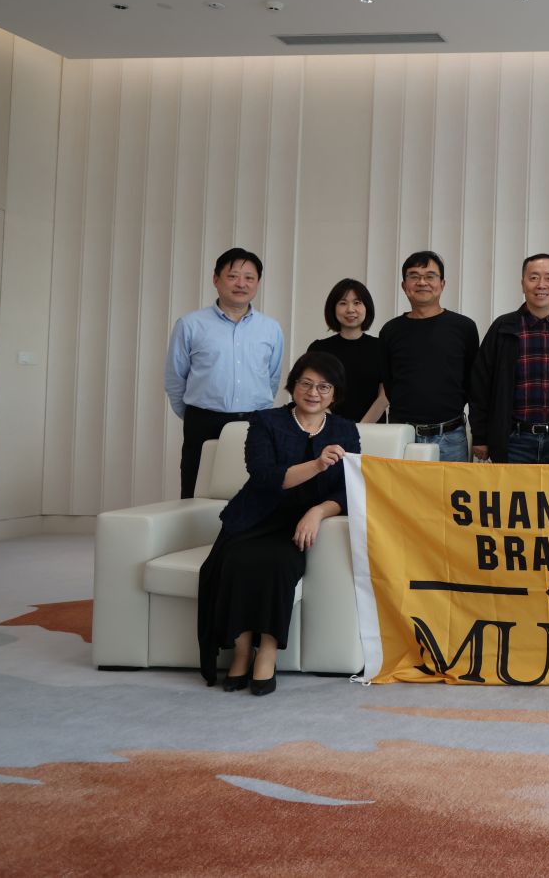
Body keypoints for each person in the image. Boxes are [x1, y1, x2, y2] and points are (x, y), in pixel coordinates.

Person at [196, 351, 360, 695]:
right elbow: (264, 478)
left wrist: (317, 512)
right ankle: (242, 650)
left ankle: (267, 653)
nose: (313, 392)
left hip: (298, 525)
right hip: (255, 517)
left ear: (335, 393)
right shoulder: (266, 421)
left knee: (279, 566)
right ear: (292, 385)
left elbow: (349, 489)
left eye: (324, 386)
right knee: (235, 561)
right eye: (306, 383)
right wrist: (317, 464)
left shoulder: (345, 430)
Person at [165, 247, 285, 498]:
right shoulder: (190, 324)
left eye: (249, 278)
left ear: (257, 283)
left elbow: (272, 378)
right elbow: (175, 378)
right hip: (203, 420)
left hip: (254, 421)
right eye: (233, 276)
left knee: (252, 491)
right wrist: (194, 415)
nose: (241, 284)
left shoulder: (271, 328)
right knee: (196, 489)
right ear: (216, 279)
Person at [469, 253, 549, 464]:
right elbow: (480, 385)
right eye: (533, 278)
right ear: (523, 284)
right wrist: (480, 436)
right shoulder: (503, 328)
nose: (541, 285)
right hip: (514, 440)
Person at [378, 251, 480, 462]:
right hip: (402, 436)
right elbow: (389, 383)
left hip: (450, 436)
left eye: (430, 276)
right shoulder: (390, 330)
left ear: (442, 284)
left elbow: (474, 385)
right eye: (414, 276)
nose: (422, 282)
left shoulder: (464, 328)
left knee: (451, 485)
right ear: (404, 285)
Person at [306, 278, 387, 424]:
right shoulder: (319, 349)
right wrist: (338, 427)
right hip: (328, 428)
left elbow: (384, 397)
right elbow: (312, 392)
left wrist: (360, 429)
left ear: (367, 307)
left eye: (357, 303)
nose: (350, 309)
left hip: (372, 430)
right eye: (343, 303)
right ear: (333, 308)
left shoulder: (381, 347)